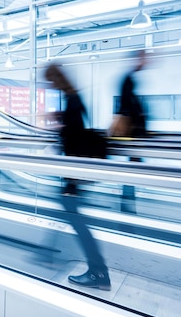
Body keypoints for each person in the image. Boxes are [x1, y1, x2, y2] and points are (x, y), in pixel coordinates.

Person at [44, 63, 111, 291]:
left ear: (57, 78)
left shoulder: (72, 99)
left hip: (73, 173)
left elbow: (74, 136)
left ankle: (98, 272)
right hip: (73, 172)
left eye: (50, 80)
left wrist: (57, 123)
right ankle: (47, 252)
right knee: (71, 215)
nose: (49, 85)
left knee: (79, 223)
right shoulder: (73, 98)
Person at [116, 50, 148, 213]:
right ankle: (128, 201)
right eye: (143, 58)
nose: (146, 61)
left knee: (133, 165)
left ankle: (128, 200)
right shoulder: (127, 80)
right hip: (133, 133)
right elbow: (126, 107)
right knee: (133, 165)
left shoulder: (128, 79)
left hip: (134, 132)